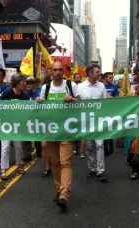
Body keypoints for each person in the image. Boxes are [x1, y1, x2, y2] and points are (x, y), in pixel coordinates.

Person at [36, 61, 80, 210]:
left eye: (60, 70)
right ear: (51, 71)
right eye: (55, 70)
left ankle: (64, 194)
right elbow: (41, 110)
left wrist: (73, 100)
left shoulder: (71, 86)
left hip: (66, 130)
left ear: (64, 71)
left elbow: (82, 105)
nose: (57, 72)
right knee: (55, 162)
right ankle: (59, 189)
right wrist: (39, 102)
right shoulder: (45, 88)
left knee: (65, 162)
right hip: (51, 130)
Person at [78, 64, 108, 182]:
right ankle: (92, 168)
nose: (99, 74)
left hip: (99, 120)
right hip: (86, 121)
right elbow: (77, 102)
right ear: (90, 73)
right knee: (89, 146)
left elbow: (104, 102)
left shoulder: (101, 86)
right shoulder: (80, 86)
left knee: (99, 145)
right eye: (97, 72)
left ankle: (100, 171)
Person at [0, 73, 29, 180]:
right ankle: (3, 170)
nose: (25, 84)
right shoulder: (7, 93)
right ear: (16, 83)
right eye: (23, 82)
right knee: (5, 147)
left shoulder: (24, 96)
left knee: (18, 147)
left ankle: (19, 166)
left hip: (17, 126)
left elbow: (28, 110)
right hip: (6, 125)